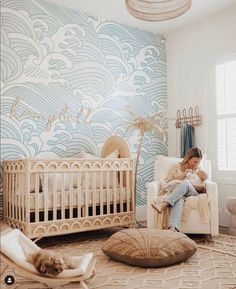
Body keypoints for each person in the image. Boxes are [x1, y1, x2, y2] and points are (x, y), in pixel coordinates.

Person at [151, 147, 208, 232]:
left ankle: (163, 205)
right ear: (188, 159)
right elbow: (168, 182)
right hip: (177, 192)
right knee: (179, 200)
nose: (196, 164)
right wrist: (184, 174)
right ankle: (173, 228)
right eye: (195, 162)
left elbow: (203, 186)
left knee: (186, 183)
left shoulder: (198, 169)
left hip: (192, 192)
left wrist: (190, 183)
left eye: (198, 162)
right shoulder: (176, 166)